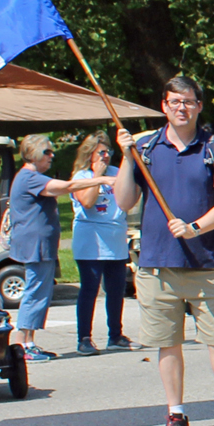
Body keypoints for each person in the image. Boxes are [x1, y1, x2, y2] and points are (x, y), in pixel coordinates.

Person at [115, 76, 214, 426]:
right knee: (167, 343)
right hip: (157, 264)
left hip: (204, 261)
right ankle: (176, 415)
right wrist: (126, 159)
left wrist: (194, 227)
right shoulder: (145, 147)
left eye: (189, 101)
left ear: (199, 106)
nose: (182, 107)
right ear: (164, 105)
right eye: (175, 101)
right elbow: (124, 201)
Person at [9, 134, 117, 363]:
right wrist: (100, 180)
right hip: (35, 244)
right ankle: (24, 344)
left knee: (39, 292)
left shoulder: (32, 176)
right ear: (34, 153)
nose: (52, 155)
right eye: (47, 152)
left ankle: (29, 342)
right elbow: (67, 187)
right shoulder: (30, 177)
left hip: (41, 245)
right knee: (35, 292)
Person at [70, 131, 141, 356]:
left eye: (108, 152)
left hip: (115, 239)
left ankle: (115, 335)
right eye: (101, 152)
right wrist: (97, 176)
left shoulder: (116, 173)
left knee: (116, 289)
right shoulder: (81, 176)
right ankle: (84, 338)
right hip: (90, 240)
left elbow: (127, 198)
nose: (106, 156)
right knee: (90, 290)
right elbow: (88, 202)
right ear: (90, 154)